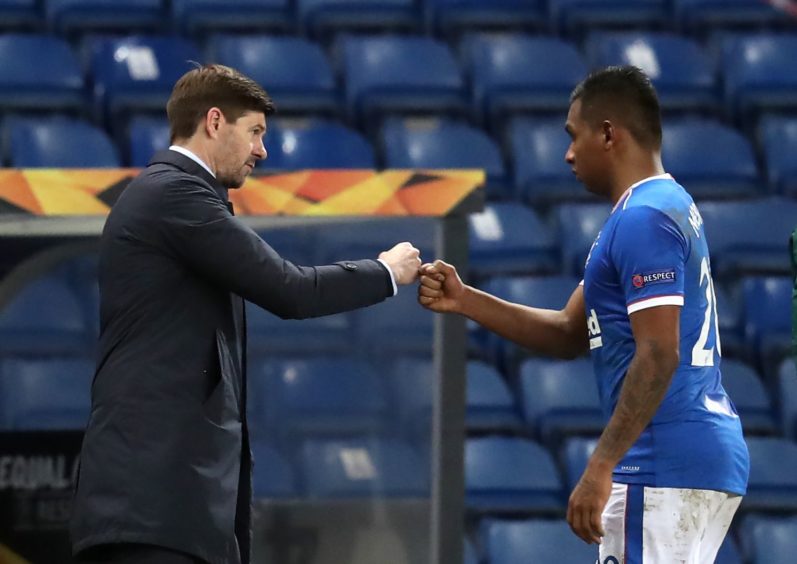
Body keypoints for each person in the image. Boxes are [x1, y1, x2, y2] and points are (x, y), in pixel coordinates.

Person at [70, 64, 422, 564]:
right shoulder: (176, 194)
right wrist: (385, 270)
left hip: (166, 512)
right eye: (254, 132)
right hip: (152, 511)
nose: (263, 150)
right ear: (214, 122)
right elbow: (291, 289)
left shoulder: (176, 196)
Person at [418, 66, 749, 563]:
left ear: (609, 133)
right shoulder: (660, 207)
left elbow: (659, 352)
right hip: (695, 457)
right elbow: (569, 332)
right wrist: (466, 300)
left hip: (660, 460)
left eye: (574, 137)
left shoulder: (643, 217)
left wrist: (603, 465)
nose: (569, 154)